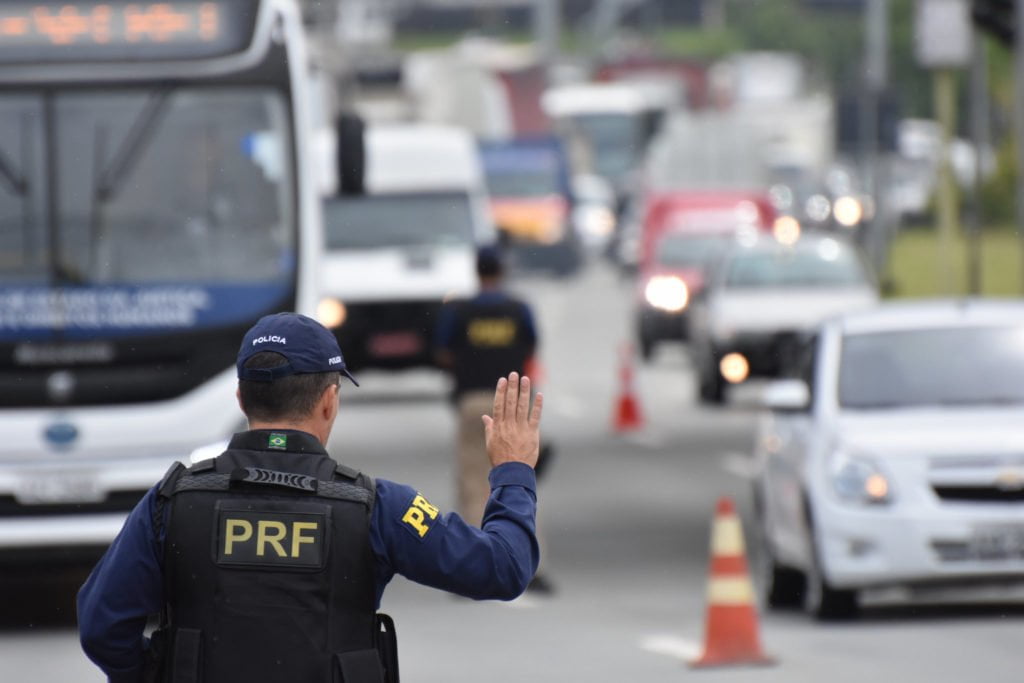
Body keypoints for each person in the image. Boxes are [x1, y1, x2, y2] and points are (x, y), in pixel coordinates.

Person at [77, 312, 543, 683]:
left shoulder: (172, 501)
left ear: (241, 398)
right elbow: (502, 569)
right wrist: (513, 469)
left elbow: (102, 624)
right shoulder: (377, 507)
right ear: (328, 401)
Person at [435, 246, 553, 594]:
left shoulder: (459, 311)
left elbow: (443, 352)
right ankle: (533, 566)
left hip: (472, 400)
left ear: (476, 271)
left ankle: (473, 570)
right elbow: (533, 348)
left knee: (473, 483)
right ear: (501, 271)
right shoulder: (519, 309)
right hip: (514, 402)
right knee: (520, 479)